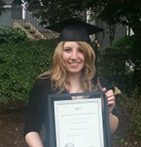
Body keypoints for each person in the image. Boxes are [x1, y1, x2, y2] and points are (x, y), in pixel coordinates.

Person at [24, 18, 119, 147]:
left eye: (80, 50)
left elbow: (109, 131)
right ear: (59, 54)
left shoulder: (101, 84)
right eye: (68, 50)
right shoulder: (44, 84)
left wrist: (108, 111)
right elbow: (31, 128)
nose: (74, 56)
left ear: (88, 54)